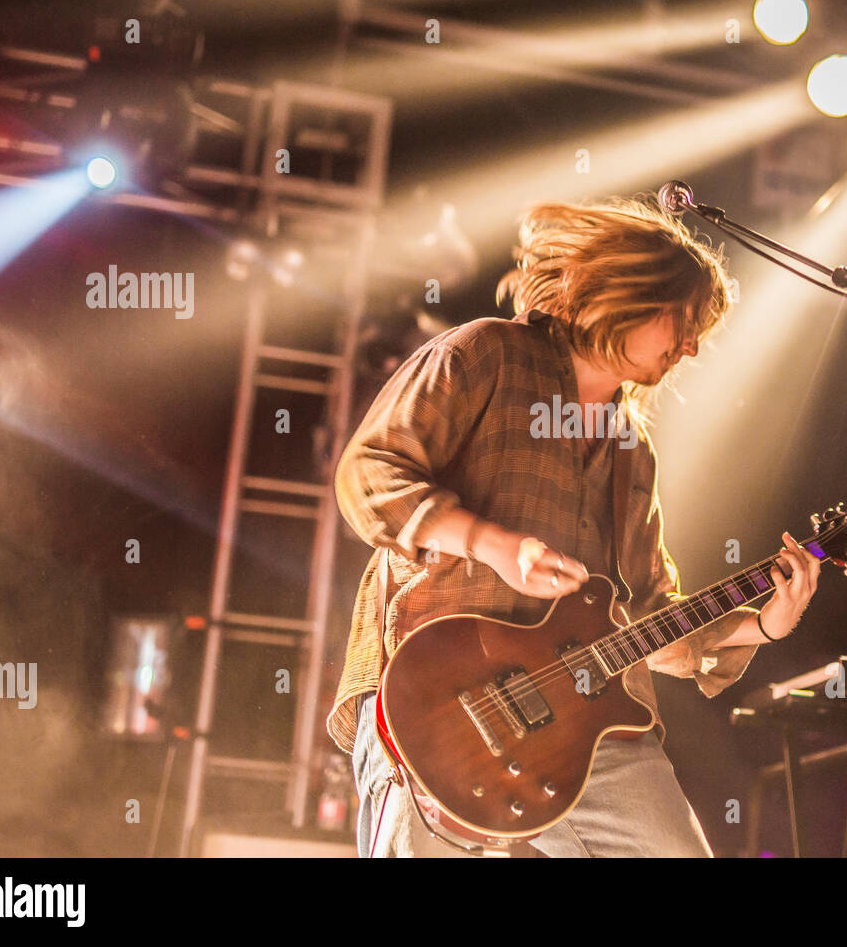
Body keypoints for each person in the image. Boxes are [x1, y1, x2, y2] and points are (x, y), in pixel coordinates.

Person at [325, 194, 821, 857]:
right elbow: (369, 475)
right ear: (626, 295)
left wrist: (762, 624)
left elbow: (650, 614)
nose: (693, 347)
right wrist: (493, 545)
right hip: (439, 700)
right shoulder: (485, 355)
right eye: (683, 321)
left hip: (588, 727)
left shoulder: (629, 448)